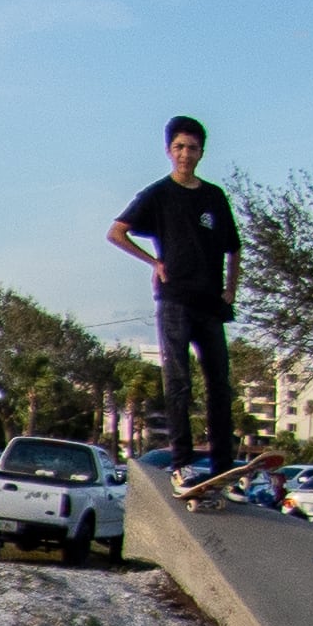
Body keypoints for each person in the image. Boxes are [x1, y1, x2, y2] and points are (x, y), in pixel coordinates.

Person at [107, 119, 241, 479]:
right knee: (178, 381)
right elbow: (117, 232)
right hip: (174, 301)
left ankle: (223, 469)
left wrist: (230, 290)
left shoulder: (213, 196)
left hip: (211, 303)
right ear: (169, 150)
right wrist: (153, 261)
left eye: (192, 148)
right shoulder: (158, 194)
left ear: (201, 152)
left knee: (219, 386)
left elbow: (233, 248)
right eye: (179, 147)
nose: (185, 154)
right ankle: (181, 464)